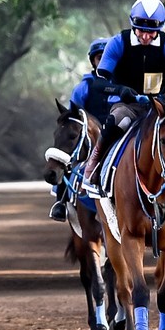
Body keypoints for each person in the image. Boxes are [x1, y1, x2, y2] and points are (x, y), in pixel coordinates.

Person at [80, 0, 165, 187]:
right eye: (142, 31)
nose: (146, 37)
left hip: (158, 106)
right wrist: (121, 90)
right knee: (117, 121)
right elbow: (99, 82)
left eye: (152, 32)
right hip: (127, 105)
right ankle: (96, 161)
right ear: (133, 25)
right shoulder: (118, 42)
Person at [49, 37, 113, 222]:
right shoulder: (85, 86)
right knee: (68, 155)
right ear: (93, 61)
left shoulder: (122, 84)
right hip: (90, 134)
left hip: (118, 130)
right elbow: (72, 116)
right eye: (99, 58)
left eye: (106, 57)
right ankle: (61, 201)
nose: (102, 62)